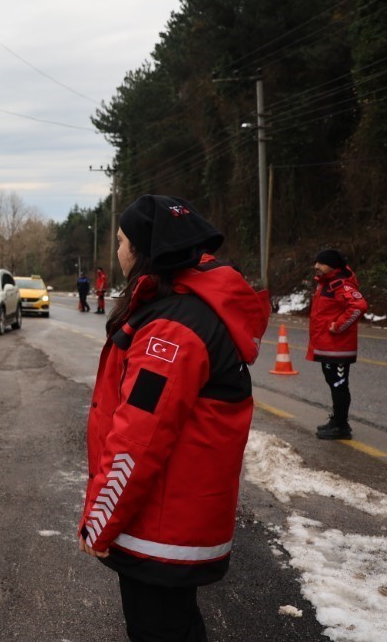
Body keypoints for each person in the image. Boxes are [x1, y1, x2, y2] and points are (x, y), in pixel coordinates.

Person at [78, 195, 269, 641]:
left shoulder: (171, 331)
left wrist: (100, 521)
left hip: (160, 530)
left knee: (158, 630)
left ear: (144, 250)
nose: (119, 250)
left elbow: (137, 441)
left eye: (123, 241)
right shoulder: (185, 307)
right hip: (176, 520)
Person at [306, 249, 367, 440]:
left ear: (333, 266)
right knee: (334, 384)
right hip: (327, 347)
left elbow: (358, 306)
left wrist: (339, 326)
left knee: (339, 385)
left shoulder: (341, 284)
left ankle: (342, 426)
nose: (316, 266)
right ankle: (337, 420)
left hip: (338, 348)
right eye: (316, 262)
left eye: (321, 263)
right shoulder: (326, 283)